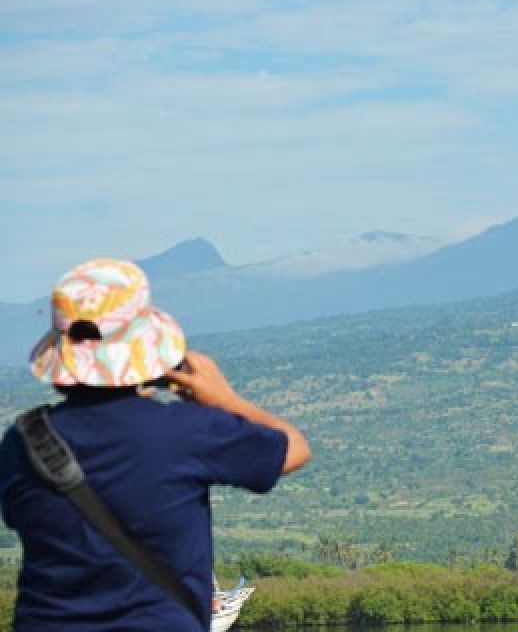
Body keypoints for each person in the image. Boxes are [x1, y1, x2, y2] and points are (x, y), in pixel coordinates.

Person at [0, 258, 311, 631]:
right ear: (146, 352)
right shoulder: (184, 432)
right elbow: (294, 448)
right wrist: (224, 399)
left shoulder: (22, 442)